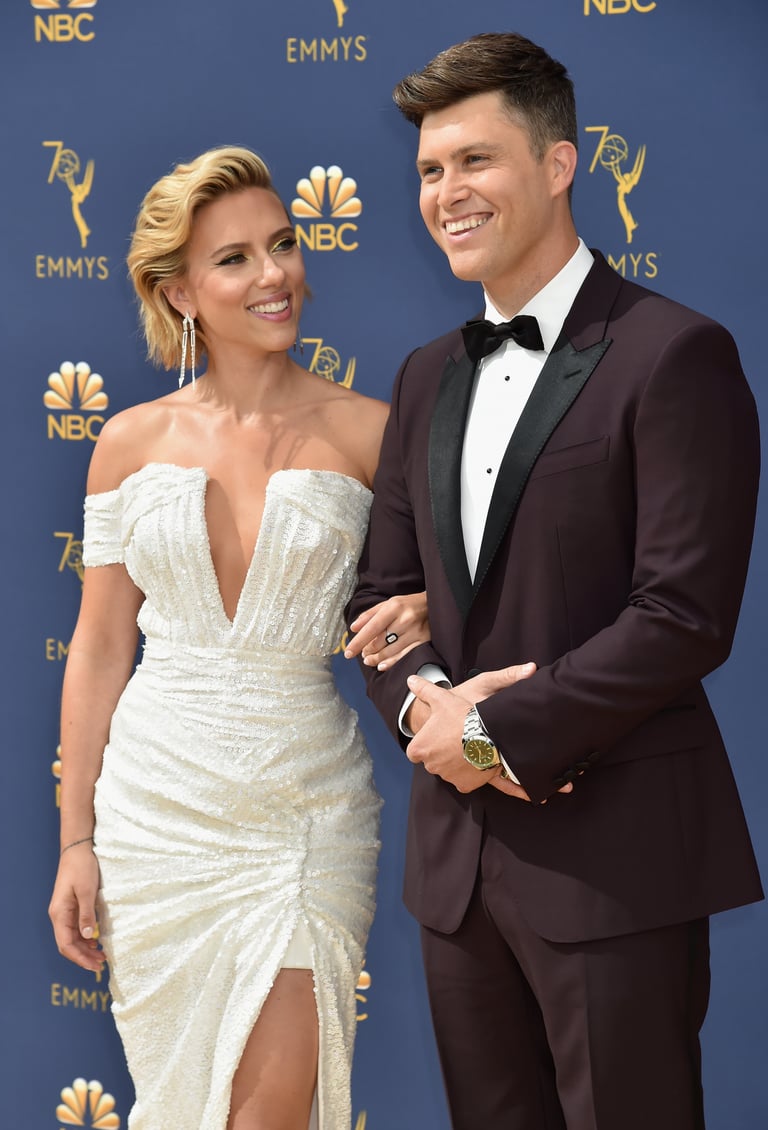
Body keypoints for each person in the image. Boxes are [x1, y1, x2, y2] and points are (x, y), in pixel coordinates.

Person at [347, 32, 763, 1130]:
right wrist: (428, 708)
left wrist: (495, 737)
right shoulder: (425, 375)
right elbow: (377, 599)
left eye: (475, 161)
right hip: (455, 880)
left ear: (561, 163)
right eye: (431, 170)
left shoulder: (675, 354)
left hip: (614, 865)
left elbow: (684, 613)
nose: (446, 194)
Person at [48, 145, 437, 1130]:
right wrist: (76, 841)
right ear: (177, 291)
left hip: (304, 809)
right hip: (155, 811)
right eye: (236, 259)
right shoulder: (126, 443)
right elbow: (99, 647)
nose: (275, 275)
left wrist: (432, 609)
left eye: (285, 244)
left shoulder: (374, 432)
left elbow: (454, 604)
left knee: (266, 1114)